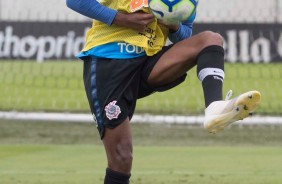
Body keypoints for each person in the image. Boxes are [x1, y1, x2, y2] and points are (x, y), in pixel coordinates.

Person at [66, 0, 261, 183]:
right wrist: (123, 19)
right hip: (108, 60)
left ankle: (214, 108)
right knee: (122, 157)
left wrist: (173, 24)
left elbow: (186, 34)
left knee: (210, 40)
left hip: (149, 60)